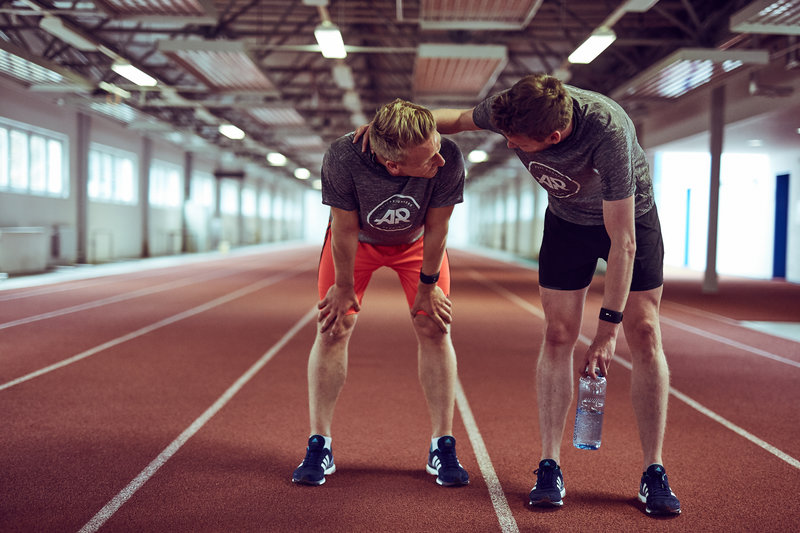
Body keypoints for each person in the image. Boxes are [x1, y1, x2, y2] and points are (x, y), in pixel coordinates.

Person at [430, 74, 681, 515]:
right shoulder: (512, 107)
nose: (508, 145)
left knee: (643, 331)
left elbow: (622, 242)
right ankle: (549, 465)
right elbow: (453, 119)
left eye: (517, 141)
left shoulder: (607, 132)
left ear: (554, 136)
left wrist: (606, 332)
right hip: (566, 221)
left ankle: (653, 472)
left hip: (629, 221)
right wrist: (386, 128)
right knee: (558, 334)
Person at [292, 98, 469, 488]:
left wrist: (428, 287)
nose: (439, 162)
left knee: (434, 328)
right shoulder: (342, 158)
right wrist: (342, 287)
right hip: (359, 243)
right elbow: (343, 228)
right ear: (393, 166)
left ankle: (442, 444)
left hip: (418, 243)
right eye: (428, 160)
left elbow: (438, 228)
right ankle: (319, 444)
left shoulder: (447, 155)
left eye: (438, 150)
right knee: (333, 327)